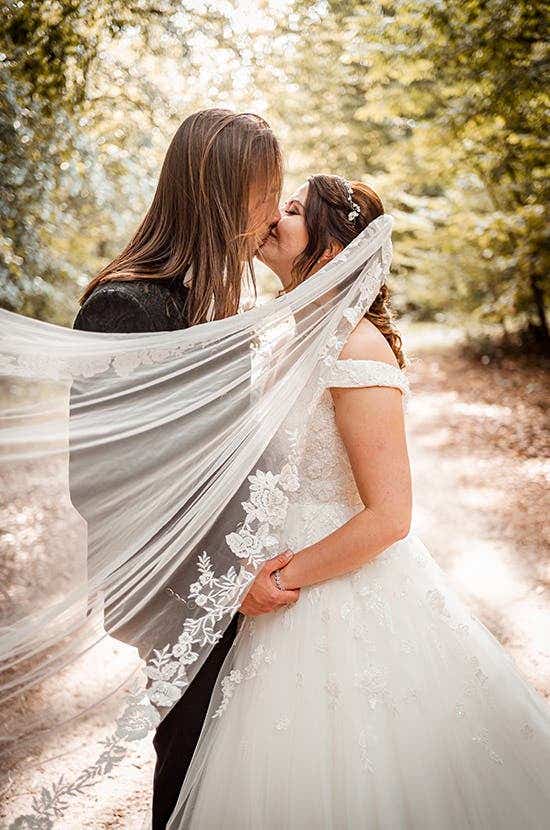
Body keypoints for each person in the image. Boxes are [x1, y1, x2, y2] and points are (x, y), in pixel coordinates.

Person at [165, 175, 550, 829]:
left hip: (330, 597)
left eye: (292, 210)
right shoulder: (291, 341)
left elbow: (390, 516)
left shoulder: (357, 348)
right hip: (278, 604)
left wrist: (277, 579)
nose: (273, 216)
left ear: (334, 252)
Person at [71, 108, 299, 830]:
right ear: (221, 194)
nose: (274, 210)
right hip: (186, 594)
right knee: (191, 768)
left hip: (232, 584)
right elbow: (103, 480)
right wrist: (225, 583)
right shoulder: (127, 304)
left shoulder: (206, 299)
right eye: (268, 190)